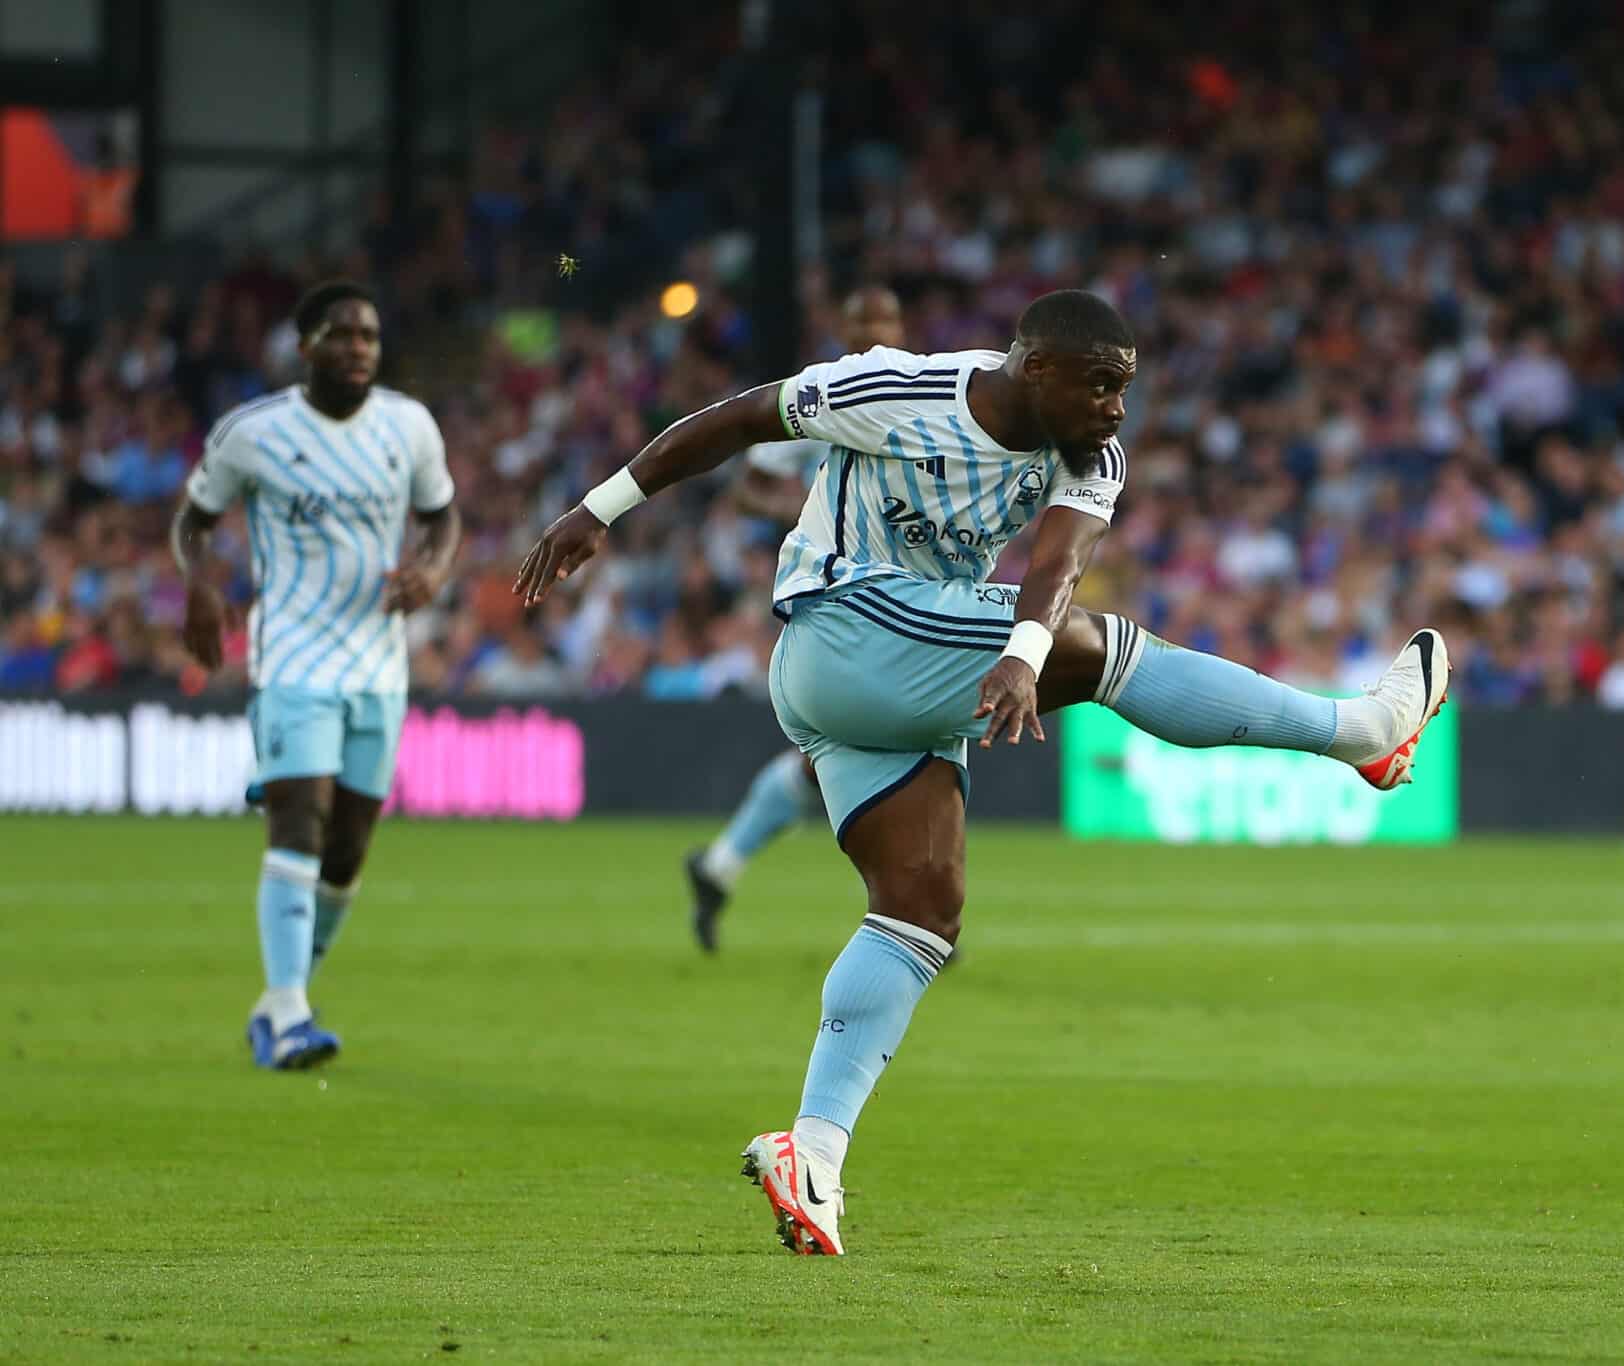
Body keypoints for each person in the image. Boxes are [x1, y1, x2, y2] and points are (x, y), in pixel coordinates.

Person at [515, 290, 1448, 1255]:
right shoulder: (894, 388)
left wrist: (1022, 650)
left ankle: (816, 1154)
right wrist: (599, 508)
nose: (1116, 409)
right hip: (845, 633)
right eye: (1099, 385)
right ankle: (1358, 730)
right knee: (1108, 653)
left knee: (920, 909)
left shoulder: (1091, 457)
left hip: (884, 681)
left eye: (1123, 390)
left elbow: (1059, 565)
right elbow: (738, 419)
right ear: (1035, 368)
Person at [173, 281, 462, 1069]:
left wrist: (433, 571)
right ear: (305, 347)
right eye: (341, 334)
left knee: (347, 854)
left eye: (369, 335)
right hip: (292, 657)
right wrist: (199, 582)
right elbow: (193, 521)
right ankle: (292, 1011)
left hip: (379, 662)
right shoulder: (254, 433)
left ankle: (282, 997)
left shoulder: (408, 426)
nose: (359, 347)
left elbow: (441, 515)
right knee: (299, 820)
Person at [684, 285, 905, 952]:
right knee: (888, 745)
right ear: (843, 331)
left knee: (844, 756)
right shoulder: (822, 397)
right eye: (861, 324)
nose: (873, 336)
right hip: (838, 599)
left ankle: (720, 865)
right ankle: (909, 909)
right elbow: (748, 482)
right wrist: (803, 517)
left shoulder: (928, 394)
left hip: (905, 598)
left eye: (883, 323)